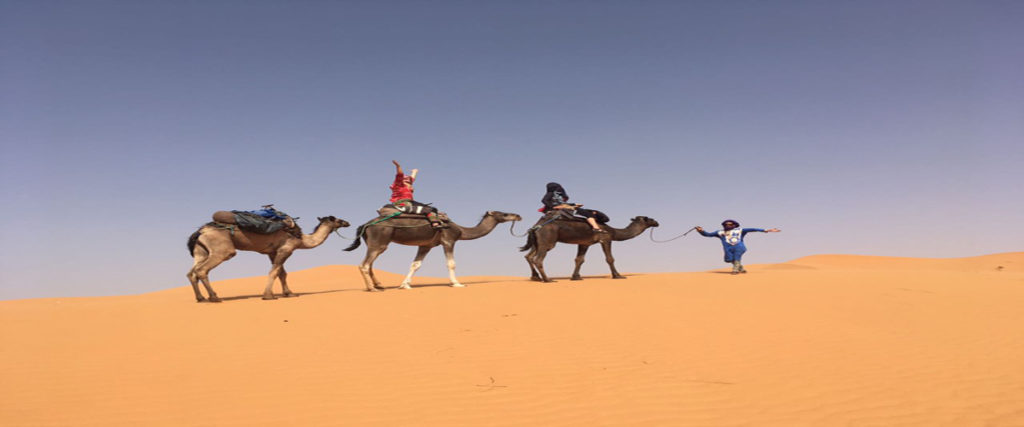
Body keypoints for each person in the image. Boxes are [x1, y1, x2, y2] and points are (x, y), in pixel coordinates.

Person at [696, 219, 780, 274]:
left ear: (734, 225)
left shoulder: (740, 230)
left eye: (730, 224)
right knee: (728, 259)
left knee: (737, 257)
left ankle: (735, 270)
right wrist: (701, 231)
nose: (728, 225)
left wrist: (766, 230)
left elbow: (753, 229)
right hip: (727, 248)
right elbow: (708, 234)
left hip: (738, 246)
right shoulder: (720, 232)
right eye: (726, 224)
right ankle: (740, 268)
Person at [389, 160, 445, 229]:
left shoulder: (407, 185)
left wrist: (414, 172)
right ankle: (435, 223)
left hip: (410, 202)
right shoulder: (399, 185)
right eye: (408, 182)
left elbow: (412, 179)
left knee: (432, 209)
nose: (410, 184)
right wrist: (398, 166)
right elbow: (400, 175)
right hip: (402, 204)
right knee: (428, 210)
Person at [541, 182, 607, 233]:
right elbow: (544, 200)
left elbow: (563, 204)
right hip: (563, 209)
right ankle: (596, 228)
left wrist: (574, 204)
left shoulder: (556, 195)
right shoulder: (551, 193)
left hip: (564, 207)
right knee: (588, 213)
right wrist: (554, 207)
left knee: (583, 210)